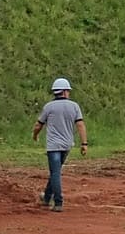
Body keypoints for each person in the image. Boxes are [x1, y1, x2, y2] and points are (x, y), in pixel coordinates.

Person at [32, 77, 87, 212]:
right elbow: (80, 125)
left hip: (53, 146)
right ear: (64, 91)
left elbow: (38, 125)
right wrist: (84, 143)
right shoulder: (74, 106)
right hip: (67, 145)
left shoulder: (48, 107)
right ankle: (46, 198)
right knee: (55, 171)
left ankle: (58, 202)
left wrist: (35, 135)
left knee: (55, 173)